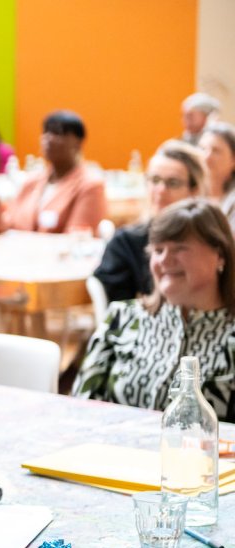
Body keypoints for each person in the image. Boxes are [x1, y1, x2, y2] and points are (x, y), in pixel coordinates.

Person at [74, 198, 235, 421]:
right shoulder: (122, 318)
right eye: (158, 250)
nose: (164, 260)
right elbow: (80, 407)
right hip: (115, 451)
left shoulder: (231, 334)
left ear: (219, 255)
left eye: (180, 248)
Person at [94, 140, 206, 302]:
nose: (160, 190)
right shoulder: (125, 243)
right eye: (154, 180)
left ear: (194, 191)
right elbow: (118, 314)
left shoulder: (208, 241)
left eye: (172, 183)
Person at [5, 110, 107, 233]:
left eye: (57, 133)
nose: (48, 138)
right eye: (45, 132)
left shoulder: (90, 186)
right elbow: (9, 222)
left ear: (78, 142)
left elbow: (77, 238)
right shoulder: (31, 181)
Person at [198, 122, 235, 225]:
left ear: (233, 159)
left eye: (216, 151)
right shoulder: (187, 192)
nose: (207, 157)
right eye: (202, 149)